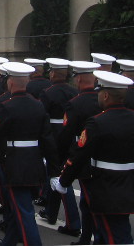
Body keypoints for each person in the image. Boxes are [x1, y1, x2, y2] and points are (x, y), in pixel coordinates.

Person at [0, 62, 59, 246]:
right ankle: (9, 241)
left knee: (24, 211)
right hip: (34, 163)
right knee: (18, 207)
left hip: (14, 165)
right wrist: (54, 171)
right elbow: (48, 140)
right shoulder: (38, 105)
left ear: (10, 83)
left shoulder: (5, 106)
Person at [53, 70, 134, 245]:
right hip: (128, 184)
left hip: (105, 187)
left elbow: (79, 155)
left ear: (105, 95)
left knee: (116, 236)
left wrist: (63, 181)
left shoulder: (97, 123)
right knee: (111, 231)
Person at [58, 61, 101, 245]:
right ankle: (87, 237)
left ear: (79, 79)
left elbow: (67, 134)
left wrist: (62, 159)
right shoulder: (104, 98)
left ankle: (92, 238)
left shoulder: (75, 104)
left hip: (83, 157)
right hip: (105, 156)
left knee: (88, 201)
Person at [38, 58, 81, 235]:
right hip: (72, 137)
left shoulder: (47, 93)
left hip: (54, 137)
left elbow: (42, 118)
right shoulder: (74, 92)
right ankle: (51, 211)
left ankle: (73, 221)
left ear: (54, 73)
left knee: (59, 176)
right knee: (56, 175)